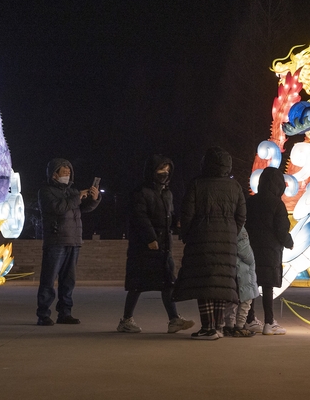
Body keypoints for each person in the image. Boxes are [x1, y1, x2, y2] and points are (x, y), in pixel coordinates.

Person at [172, 146, 246, 340]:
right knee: (221, 285)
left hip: (201, 240)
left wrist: (187, 235)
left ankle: (208, 328)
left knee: (204, 284)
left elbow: (187, 214)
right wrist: (231, 232)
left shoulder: (197, 184)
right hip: (227, 243)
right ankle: (218, 327)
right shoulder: (235, 186)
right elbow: (241, 215)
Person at [117, 155, 194, 334]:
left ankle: (174, 319)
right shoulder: (141, 192)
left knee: (167, 283)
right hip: (144, 247)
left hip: (164, 246)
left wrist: (177, 223)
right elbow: (140, 218)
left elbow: (169, 215)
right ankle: (126, 320)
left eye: (167, 170)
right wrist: (150, 238)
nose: (164, 174)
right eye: (161, 170)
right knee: (137, 284)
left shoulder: (167, 193)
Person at [36, 158, 100, 326]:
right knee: (48, 280)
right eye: (63, 172)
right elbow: (58, 208)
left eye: (69, 172)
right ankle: (43, 314)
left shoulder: (72, 192)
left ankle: (65, 313)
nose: (67, 174)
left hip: (73, 240)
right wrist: (78, 196)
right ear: (54, 174)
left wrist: (93, 198)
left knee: (68, 281)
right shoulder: (46, 191)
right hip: (55, 241)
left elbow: (84, 208)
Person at [246, 166, 293, 336]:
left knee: (251, 284)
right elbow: (281, 229)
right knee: (267, 287)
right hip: (270, 251)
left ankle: (250, 319)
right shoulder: (276, 204)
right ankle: (269, 322)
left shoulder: (250, 201)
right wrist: (289, 242)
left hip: (251, 249)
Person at [222, 226, 258, 337]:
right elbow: (245, 253)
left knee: (231, 300)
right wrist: (252, 259)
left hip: (230, 269)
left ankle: (229, 325)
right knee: (246, 300)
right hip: (243, 271)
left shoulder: (225, 227)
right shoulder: (240, 229)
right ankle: (240, 326)